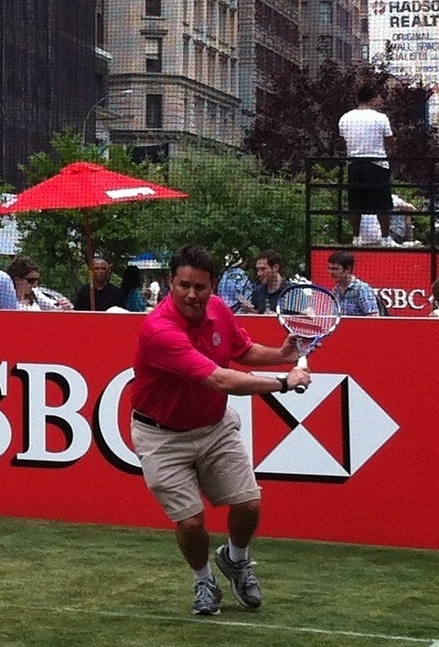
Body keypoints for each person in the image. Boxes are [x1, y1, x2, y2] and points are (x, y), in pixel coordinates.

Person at [130, 245, 310, 616]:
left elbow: (242, 350)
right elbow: (220, 379)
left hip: (214, 427)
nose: (191, 295)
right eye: (183, 286)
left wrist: (282, 353)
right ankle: (203, 579)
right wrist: (283, 382)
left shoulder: (219, 310)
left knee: (249, 504)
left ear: (213, 285)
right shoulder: (159, 330)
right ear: (170, 283)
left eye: (200, 286)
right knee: (192, 522)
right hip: (162, 437)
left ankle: (236, 559)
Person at [338, 84, 399, 248]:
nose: (381, 101)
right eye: (379, 97)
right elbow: (390, 141)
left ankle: (356, 237)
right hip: (377, 163)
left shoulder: (345, 118)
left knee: (355, 202)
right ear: (373, 99)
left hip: (354, 163)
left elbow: (344, 140)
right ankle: (386, 238)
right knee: (383, 202)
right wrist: (394, 146)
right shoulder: (381, 118)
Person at [327, 250, 379, 316]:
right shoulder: (335, 291)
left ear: (348, 269)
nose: (331, 272)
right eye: (330, 269)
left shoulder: (362, 289)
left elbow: (374, 317)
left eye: (335, 269)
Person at [250, 249, 291, 314]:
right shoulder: (257, 292)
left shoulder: (292, 291)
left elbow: (304, 319)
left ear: (275, 267)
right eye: (258, 269)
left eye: (263, 269)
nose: (259, 273)